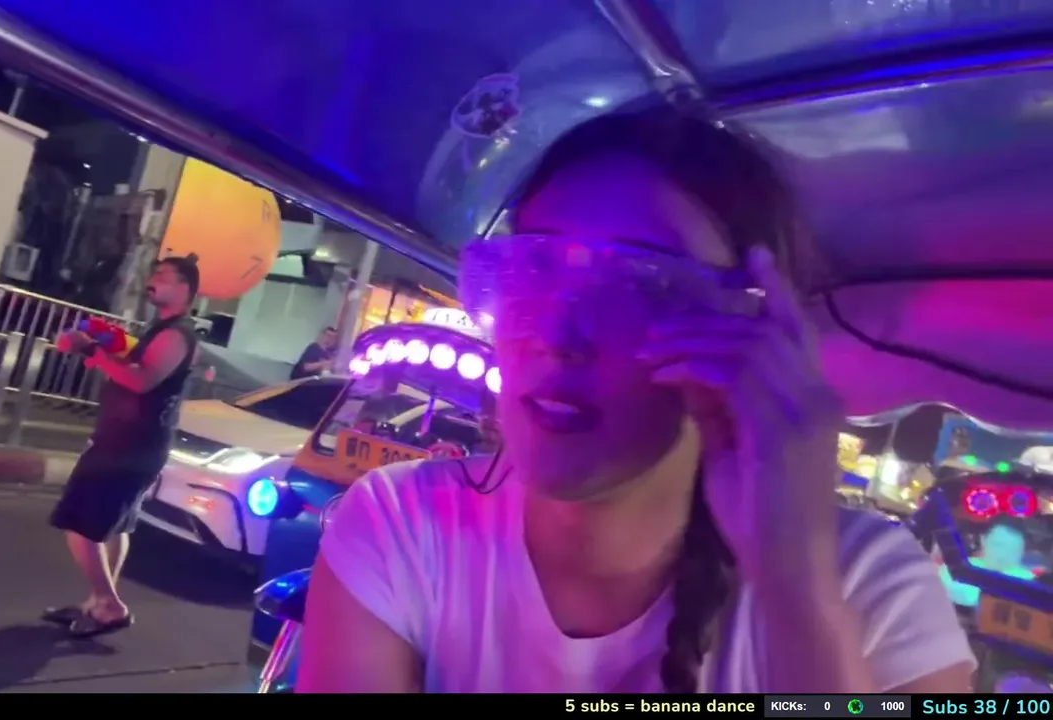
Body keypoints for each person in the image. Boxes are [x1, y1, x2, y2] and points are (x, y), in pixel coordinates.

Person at [296, 108, 974, 693]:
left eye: (639, 290)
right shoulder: (404, 527)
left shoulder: (872, 589)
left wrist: (794, 583)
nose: (559, 337)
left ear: (756, 334)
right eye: (534, 272)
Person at [42, 254, 200, 638]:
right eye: (154, 272)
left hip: (132, 445)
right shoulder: (160, 329)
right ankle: (98, 604)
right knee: (115, 525)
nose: (152, 279)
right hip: (127, 440)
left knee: (79, 524)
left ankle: (110, 605)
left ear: (185, 289)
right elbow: (130, 365)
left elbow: (143, 380)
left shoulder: (177, 334)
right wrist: (103, 346)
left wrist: (91, 352)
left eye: (162, 275)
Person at [939, 519, 1038, 608]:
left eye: (1013, 549)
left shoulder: (1029, 581)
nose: (1004, 554)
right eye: (998, 545)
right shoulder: (957, 569)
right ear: (983, 540)